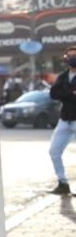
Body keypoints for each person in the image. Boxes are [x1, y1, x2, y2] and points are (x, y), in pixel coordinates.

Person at [48, 45, 76, 196]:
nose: (72, 58)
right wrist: (71, 92)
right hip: (65, 118)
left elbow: (61, 93)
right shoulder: (63, 76)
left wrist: (65, 93)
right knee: (54, 151)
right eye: (69, 56)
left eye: (74, 55)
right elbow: (53, 93)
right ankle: (62, 183)